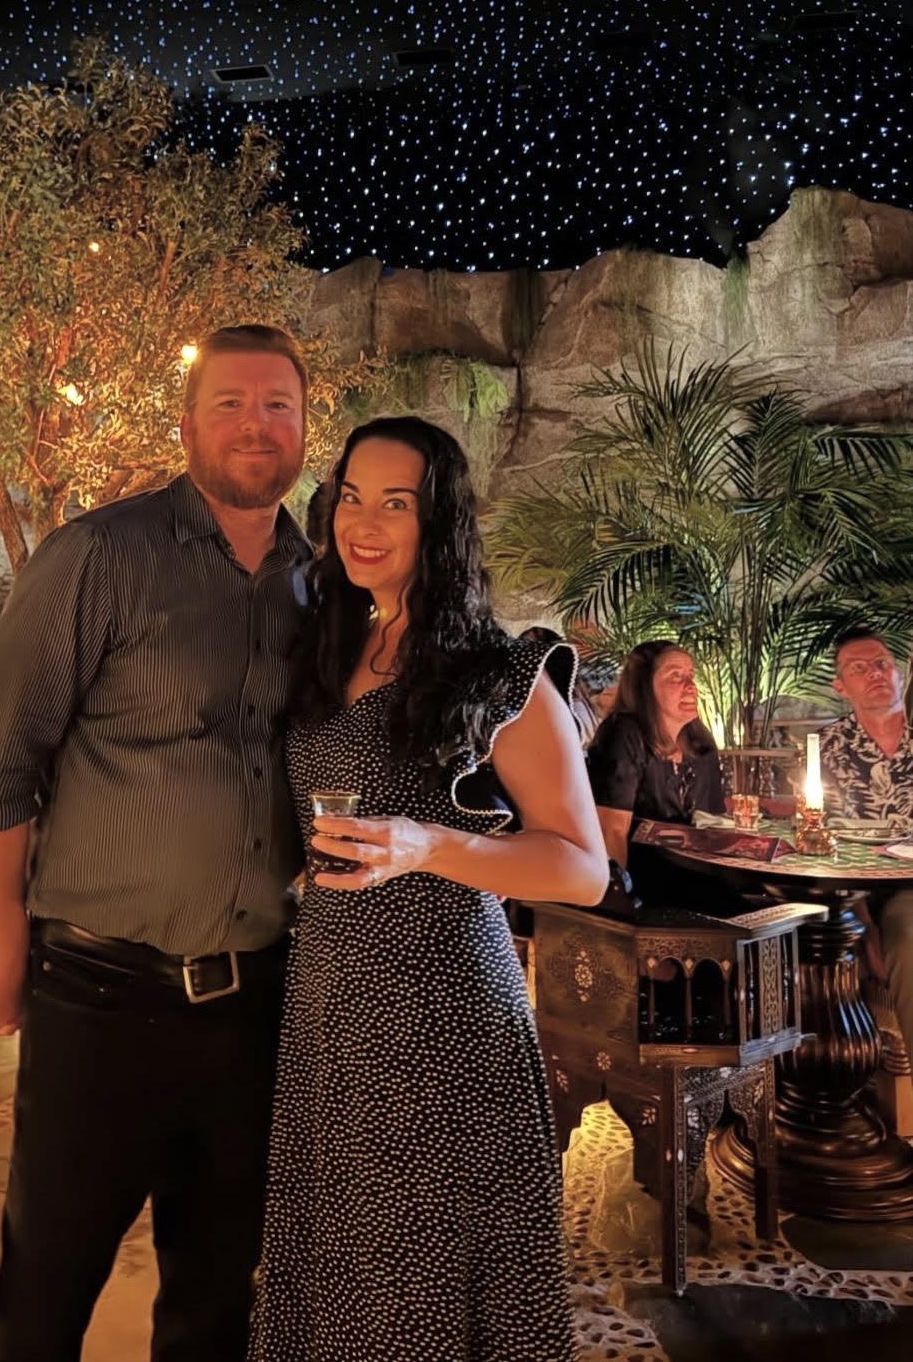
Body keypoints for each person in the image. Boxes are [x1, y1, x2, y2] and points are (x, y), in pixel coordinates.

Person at [0, 324, 312, 1362]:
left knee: (216, 1302)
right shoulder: (99, 556)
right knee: (42, 1298)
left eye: (277, 404)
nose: (256, 423)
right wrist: (4, 955)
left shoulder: (314, 585)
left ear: (303, 425)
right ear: (188, 423)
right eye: (231, 402)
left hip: (258, 1004)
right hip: (102, 999)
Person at [249, 417, 608, 1362]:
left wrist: (428, 843)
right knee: (344, 1260)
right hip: (331, 996)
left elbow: (582, 866)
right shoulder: (329, 652)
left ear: (438, 522)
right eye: (352, 499)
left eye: (396, 504)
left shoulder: (500, 673)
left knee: (432, 1267)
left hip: (444, 1010)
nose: (364, 525)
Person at [819, 628, 913, 1072]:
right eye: (858, 668)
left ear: (898, 670)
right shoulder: (827, 750)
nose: (874, 673)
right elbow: (820, 847)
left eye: (881, 663)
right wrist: (867, 928)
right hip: (881, 897)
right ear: (841, 686)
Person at [586, 639, 724, 901]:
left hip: (699, 877)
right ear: (644, 686)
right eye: (675, 676)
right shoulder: (624, 733)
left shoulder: (700, 743)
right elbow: (610, 830)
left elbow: (714, 824)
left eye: (690, 676)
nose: (690, 687)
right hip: (646, 884)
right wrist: (621, 903)